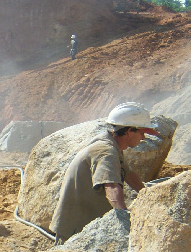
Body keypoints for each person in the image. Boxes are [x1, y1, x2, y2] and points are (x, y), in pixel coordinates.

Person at [49, 102, 159, 242]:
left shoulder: (111, 145)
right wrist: (125, 219)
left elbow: (130, 175)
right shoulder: (106, 151)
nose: (143, 138)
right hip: (76, 232)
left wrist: (149, 195)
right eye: (142, 132)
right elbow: (111, 187)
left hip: (87, 226)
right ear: (129, 131)